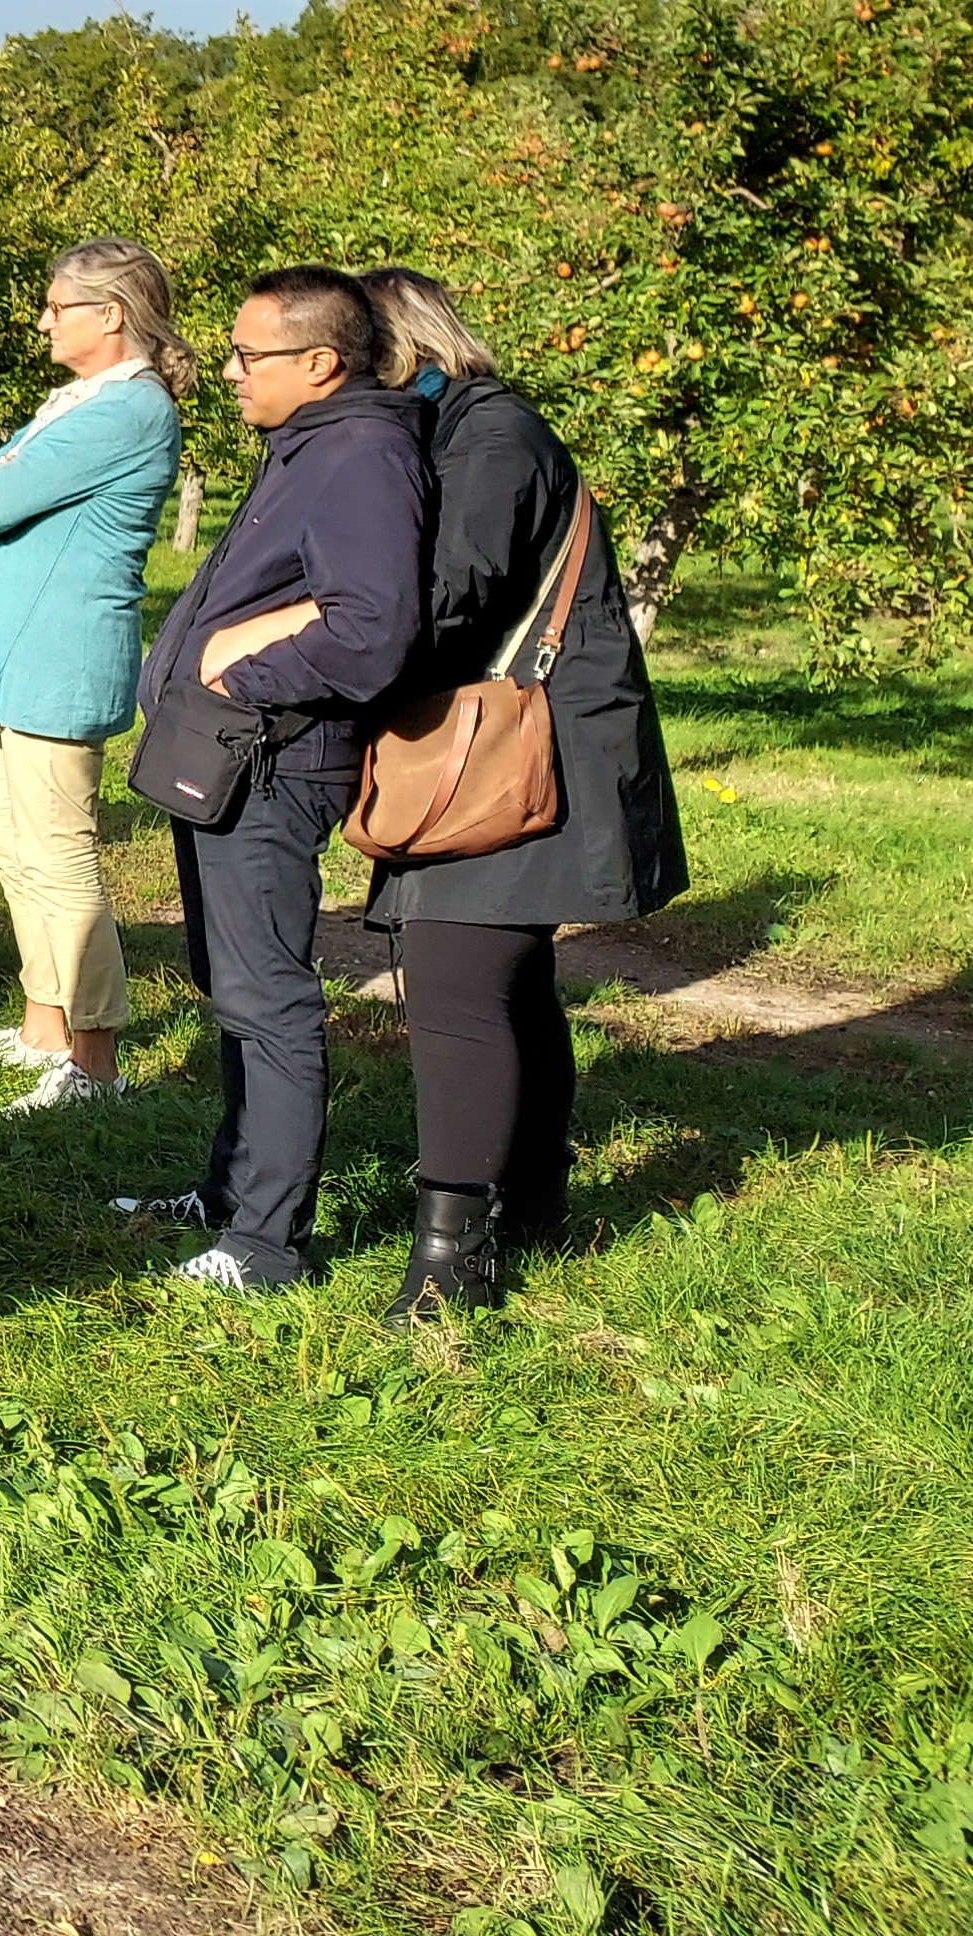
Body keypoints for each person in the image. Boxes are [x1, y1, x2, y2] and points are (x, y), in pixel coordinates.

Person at [355, 267, 685, 1315]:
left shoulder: (488, 438)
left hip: (513, 754)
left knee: (455, 985)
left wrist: (334, 647)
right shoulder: (472, 429)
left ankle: (452, 1267)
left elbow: (452, 599)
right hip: (529, 749)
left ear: (394, 351)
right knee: (506, 981)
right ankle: (533, 1199)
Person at [113, 267, 431, 1295]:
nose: (230, 373)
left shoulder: (360, 456)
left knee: (270, 999)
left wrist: (233, 673)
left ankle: (263, 1247)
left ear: (321, 363)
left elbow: (370, 630)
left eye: (250, 355)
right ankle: (229, 1194)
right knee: (232, 988)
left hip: (271, 764)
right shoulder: (307, 446)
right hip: (221, 758)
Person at [0, 241, 193, 1112]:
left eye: (58, 305)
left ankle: (94, 1061)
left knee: (58, 853)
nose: (44, 320)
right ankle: (47, 1023)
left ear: (111, 314)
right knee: (10, 843)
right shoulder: (79, 403)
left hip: (59, 654)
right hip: (20, 655)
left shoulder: (123, 413)